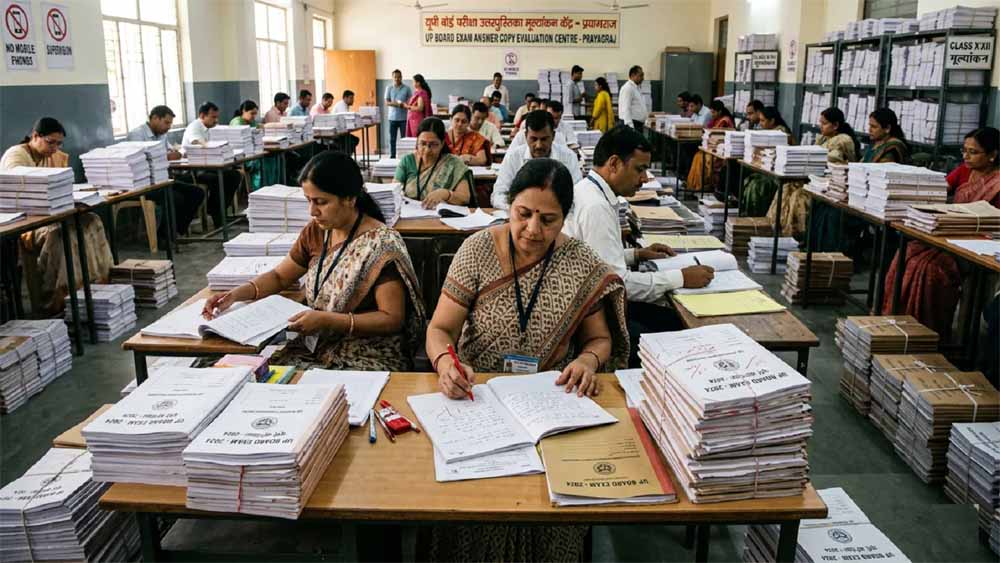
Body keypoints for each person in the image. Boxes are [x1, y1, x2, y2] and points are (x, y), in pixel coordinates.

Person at [423, 157, 628, 561]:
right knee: (474, 507)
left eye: (548, 220)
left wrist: (588, 361)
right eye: (523, 214)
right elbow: (439, 330)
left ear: (565, 218)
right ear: (509, 205)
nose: (533, 229)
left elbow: (600, 339)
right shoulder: (477, 250)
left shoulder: (580, 262)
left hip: (549, 405)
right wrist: (446, 364)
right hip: (477, 398)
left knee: (549, 507)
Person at [203, 152, 425, 370]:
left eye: (321, 202)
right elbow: (280, 277)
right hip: (316, 344)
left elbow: (391, 318)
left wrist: (328, 321)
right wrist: (235, 295)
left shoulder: (382, 245)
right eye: (308, 201)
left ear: (350, 198)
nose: (312, 211)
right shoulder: (317, 232)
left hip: (369, 351)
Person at [562, 126, 714, 365]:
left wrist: (636, 254)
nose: (644, 178)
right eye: (639, 169)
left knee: (669, 318)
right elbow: (617, 283)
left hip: (594, 302)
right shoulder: (596, 207)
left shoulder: (589, 190)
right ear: (614, 164)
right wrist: (681, 278)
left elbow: (594, 258)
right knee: (679, 335)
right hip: (594, 317)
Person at [882, 127, 1000, 340]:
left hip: (975, 246)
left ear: (992, 155)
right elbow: (940, 189)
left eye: (973, 152)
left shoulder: (997, 183)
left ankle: (929, 332)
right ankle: (898, 323)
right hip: (946, 235)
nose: (966, 156)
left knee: (930, 269)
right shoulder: (964, 171)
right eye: (964, 150)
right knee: (906, 254)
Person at [1, 118, 114, 315]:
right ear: (35, 136)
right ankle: (61, 298)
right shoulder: (16, 156)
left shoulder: (50, 156)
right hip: (28, 221)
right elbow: (19, 196)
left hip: (50, 214)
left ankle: (97, 286)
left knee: (92, 220)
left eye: (59, 144)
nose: (55, 148)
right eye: (50, 142)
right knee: (64, 235)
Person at [125, 105, 205, 236]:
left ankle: (175, 231)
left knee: (197, 193)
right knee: (175, 198)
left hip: (161, 180)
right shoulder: (137, 135)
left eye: (170, 124)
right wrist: (166, 156)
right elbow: (138, 160)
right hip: (143, 185)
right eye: (166, 123)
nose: (168, 127)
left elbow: (171, 151)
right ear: (155, 118)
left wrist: (174, 153)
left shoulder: (162, 135)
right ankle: (165, 236)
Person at [492, 110, 583, 209]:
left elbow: (578, 194)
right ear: (526, 136)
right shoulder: (513, 157)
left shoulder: (568, 157)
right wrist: (517, 210)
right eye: (533, 139)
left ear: (553, 136)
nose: (539, 145)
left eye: (544, 139)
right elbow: (498, 194)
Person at [181, 102, 242, 229]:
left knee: (234, 175)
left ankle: (218, 209)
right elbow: (196, 141)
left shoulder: (210, 128)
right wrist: (210, 146)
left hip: (209, 166)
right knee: (220, 178)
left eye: (217, 117)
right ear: (202, 116)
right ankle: (216, 212)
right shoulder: (195, 126)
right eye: (213, 117)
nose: (216, 120)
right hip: (194, 170)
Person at [394, 117, 472, 208]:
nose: (427, 150)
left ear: (442, 144)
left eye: (433, 144)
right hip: (409, 213)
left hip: (441, 214)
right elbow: (394, 191)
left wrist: (446, 194)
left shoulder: (454, 164)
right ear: (417, 142)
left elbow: (465, 198)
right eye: (423, 144)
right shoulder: (407, 161)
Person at [741, 106, 794, 217]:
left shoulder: (781, 133)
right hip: (767, 169)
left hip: (777, 174)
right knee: (748, 178)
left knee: (756, 185)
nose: (760, 123)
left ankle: (756, 214)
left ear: (772, 121)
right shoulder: (770, 131)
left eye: (763, 120)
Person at [687, 100, 735, 191]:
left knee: (701, 158)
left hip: (720, 151)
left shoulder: (724, 121)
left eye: (713, 112)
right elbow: (708, 130)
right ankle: (695, 184)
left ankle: (700, 184)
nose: (711, 114)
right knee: (697, 156)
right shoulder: (715, 120)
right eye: (711, 112)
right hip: (712, 148)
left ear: (719, 112)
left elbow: (718, 137)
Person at [384, 69, 413, 158]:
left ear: (401, 77)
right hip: (392, 118)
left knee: (404, 139)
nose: (397, 79)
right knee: (392, 139)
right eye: (395, 77)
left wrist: (404, 104)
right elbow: (386, 102)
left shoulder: (407, 88)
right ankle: (392, 156)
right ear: (392, 77)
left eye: (399, 77)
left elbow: (410, 101)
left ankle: (404, 156)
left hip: (404, 118)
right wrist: (397, 104)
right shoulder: (389, 88)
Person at [619, 65, 648, 132]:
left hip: (637, 124)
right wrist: (630, 127)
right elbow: (626, 108)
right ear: (632, 75)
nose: (643, 78)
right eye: (641, 75)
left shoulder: (636, 88)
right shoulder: (628, 88)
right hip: (631, 124)